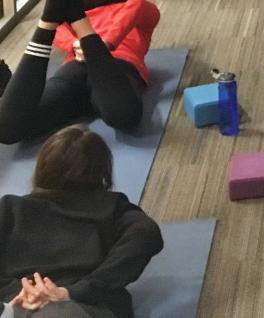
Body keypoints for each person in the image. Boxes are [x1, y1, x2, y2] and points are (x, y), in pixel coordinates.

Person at [0, 125, 164, 318]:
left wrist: (23, 291)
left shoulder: (10, 207)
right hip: (70, 305)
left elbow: (145, 234)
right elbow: (146, 233)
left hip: (49, 305)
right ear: (102, 174)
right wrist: (77, 290)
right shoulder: (112, 207)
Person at [0, 0, 159, 144]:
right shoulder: (132, 9)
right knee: (125, 116)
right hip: (113, 67)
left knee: (8, 129)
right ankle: (53, 22)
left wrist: (84, 44)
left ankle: (46, 23)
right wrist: (91, 45)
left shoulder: (74, 20)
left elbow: (59, 30)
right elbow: (139, 3)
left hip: (83, 68)